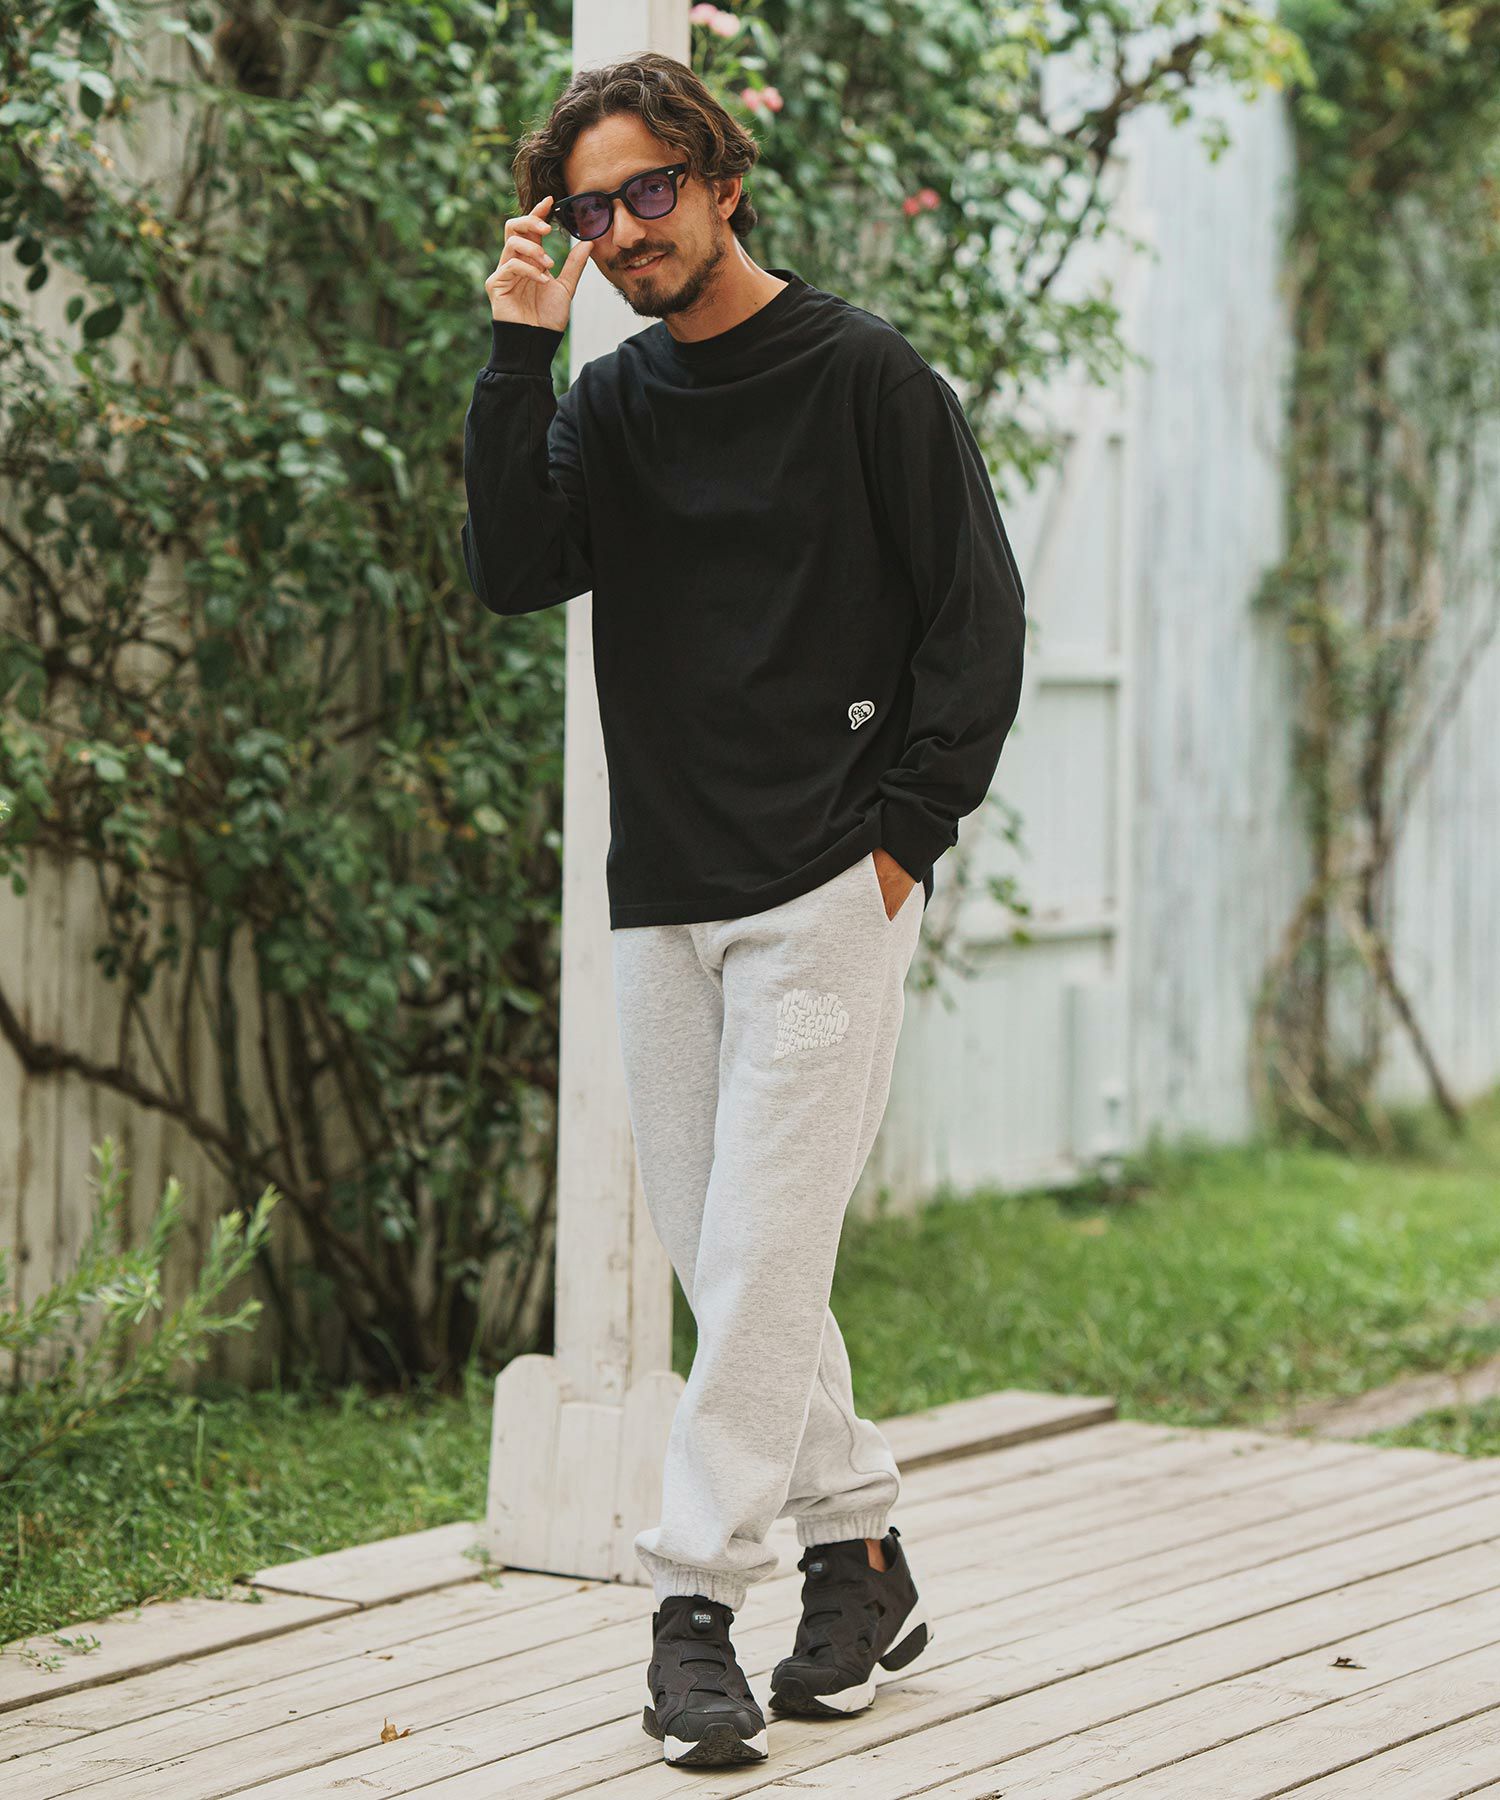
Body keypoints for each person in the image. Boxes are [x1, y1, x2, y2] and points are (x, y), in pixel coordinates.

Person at [459, 50, 1025, 1770]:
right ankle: (862, 1552)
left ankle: (693, 1602)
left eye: (650, 190)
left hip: (828, 882)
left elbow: (977, 615)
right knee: (736, 1257)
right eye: (592, 210)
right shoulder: (610, 401)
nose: (627, 229)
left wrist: (906, 837)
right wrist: (518, 350)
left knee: (763, 1245)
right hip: (667, 890)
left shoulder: (865, 376)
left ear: (718, 182)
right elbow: (513, 568)